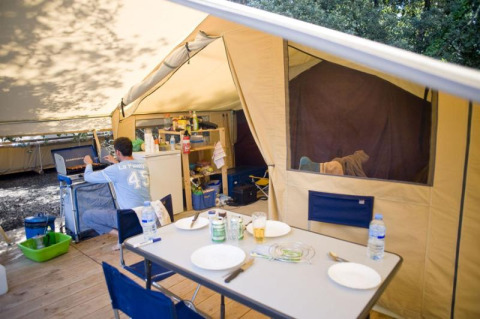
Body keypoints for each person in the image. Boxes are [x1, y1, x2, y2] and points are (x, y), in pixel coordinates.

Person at [82, 137, 150, 235]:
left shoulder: (115, 169)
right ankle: (128, 233)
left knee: (87, 216)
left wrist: (89, 164)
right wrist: (115, 162)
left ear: (117, 152)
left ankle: (123, 236)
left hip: (130, 218)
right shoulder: (144, 164)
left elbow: (88, 177)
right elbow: (127, 169)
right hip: (147, 214)